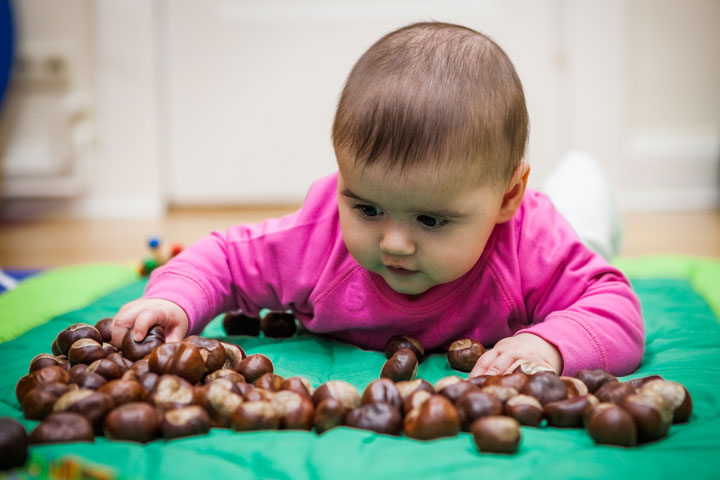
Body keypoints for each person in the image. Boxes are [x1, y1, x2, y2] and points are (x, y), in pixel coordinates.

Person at [110, 22, 644, 378]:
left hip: (557, 237)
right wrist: (175, 300)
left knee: (585, 215)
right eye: (366, 208)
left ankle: (585, 176)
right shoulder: (315, 238)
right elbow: (224, 258)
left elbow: (616, 312)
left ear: (507, 197)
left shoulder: (531, 241)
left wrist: (553, 345)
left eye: (431, 219)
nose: (393, 243)